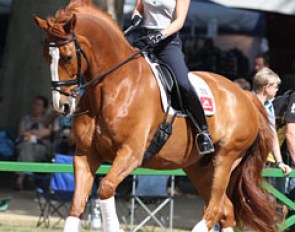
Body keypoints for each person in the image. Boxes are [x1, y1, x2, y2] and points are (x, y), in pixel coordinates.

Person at [130, 0, 214, 155]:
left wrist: (159, 35)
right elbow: (138, 9)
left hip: (167, 43)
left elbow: (179, 21)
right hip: (144, 38)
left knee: (182, 84)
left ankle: (203, 131)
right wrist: (135, 18)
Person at [252, 68, 292, 189]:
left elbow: (272, 133)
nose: (277, 89)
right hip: (247, 160)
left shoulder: (269, 105)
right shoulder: (249, 101)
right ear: (266, 87)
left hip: (262, 160)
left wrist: (279, 162)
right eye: (275, 86)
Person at [15, 95, 52, 190]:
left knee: (28, 149)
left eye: (39, 104)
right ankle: (29, 178)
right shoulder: (26, 118)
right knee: (27, 147)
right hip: (25, 144)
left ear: (44, 108)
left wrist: (30, 132)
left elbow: (47, 132)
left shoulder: (47, 120)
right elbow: (21, 133)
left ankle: (21, 178)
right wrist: (38, 133)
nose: (35, 106)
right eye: (34, 104)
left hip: (41, 147)